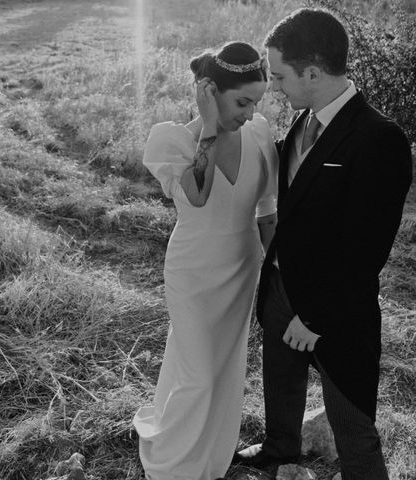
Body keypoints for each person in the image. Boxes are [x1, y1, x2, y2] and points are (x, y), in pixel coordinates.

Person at [232, 8, 413, 480]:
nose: (274, 87)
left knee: (352, 423)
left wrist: (314, 319)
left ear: (312, 72)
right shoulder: (303, 121)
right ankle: (279, 450)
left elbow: (366, 250)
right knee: (281, 384)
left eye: (280, 76)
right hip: (281, 290)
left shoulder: (380, 138)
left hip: (334, 315)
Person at [132, 41, 279, 480]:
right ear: (209, 91)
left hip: (242, 268)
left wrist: (280, 273)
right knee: (199, 372)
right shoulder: (171, 138)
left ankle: (211, 457)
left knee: (224, 366)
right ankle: (173, 467)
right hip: (193, 270)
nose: (251, 113)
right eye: (241, 101)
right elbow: (196, 195)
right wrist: (211, 125)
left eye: (257, 101)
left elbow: (267, 211)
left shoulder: (259, 133)